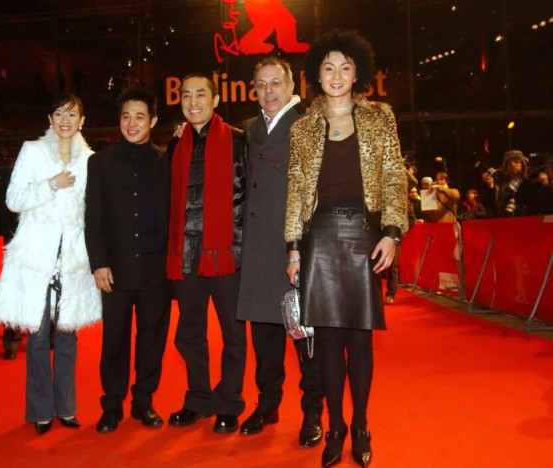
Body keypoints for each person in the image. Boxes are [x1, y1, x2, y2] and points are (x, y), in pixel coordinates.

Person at [285, 31, 408, 467]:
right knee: (327, 339)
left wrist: (392, 233)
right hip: (318, 237)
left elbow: (394, 175)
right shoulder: (302, 128)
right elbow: (296, 189)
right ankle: (334, 426)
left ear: (358, 73)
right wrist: (293, 248)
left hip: (364, 236)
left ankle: (360, 425)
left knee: (359, 339)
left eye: (345, 67)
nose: (336, 76)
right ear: (316, 75)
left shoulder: (380, 117)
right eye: (328, 68)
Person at [0, 94, 101, 435]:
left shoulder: (90, 160)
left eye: (72, 114)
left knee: (67, 334)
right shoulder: (32, 151)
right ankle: (39, 410)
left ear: (82, 121)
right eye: (59, 113)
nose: (65, 120)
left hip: (73, 257)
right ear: (49, 119)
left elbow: (94, 209)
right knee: (36, 337)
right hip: (37, 256)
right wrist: (50, 185)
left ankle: (65, 407)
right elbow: (13, 199)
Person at [235, 57, 324, 446]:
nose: (268, 91)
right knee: (264, 338)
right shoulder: (250, 130)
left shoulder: (307, 125)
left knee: (306, 339)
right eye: (261, 84)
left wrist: (301, 248)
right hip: (258, 250)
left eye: (275, 83)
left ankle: (313, 412)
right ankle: (267, 404)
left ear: (291, 86)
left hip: (295, 249)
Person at [84, 87, 172, 433]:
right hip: (116, 268)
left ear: (153, 120)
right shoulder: (100, 163)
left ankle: (143, 402)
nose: (132, 123)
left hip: (156, 268)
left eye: (140, 117)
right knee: (114, 341)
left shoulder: (166, 161)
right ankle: (111, 405)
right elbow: (94, 218)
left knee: (152, 339)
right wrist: (98, 262)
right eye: (126, 117)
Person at [167, 73, 247, 434]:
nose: (193, 102)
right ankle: (198, 398)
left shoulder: (239, 141)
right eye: (186, 96)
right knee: (189, 333)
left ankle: (229, 402)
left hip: (228, 254)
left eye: (201, 95)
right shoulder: (176, 145)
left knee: (233, 334)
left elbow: (251, 199)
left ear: (215, 100)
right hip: (186, 256)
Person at [0, 155, 22, 360]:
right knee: (15, 292)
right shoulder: (12, 174)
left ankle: (49, 333)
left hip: (43, 243)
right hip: (17, 244)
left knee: (48, 289)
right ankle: (11, 341)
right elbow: (2, 211)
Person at [495, 150, 537, 217]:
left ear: (522, 164)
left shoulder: (530, 182)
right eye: (509, 163)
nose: (513, 164)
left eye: (516, 162)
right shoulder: (501, 184)